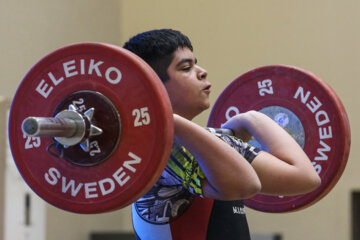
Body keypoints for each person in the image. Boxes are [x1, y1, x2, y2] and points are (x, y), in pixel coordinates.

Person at [123, 29, 321, 240]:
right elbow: (301, 177)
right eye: (186, 68)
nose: (202, 71)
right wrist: (254, 119)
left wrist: (227, 139)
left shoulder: (179, 144)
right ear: (151, 84)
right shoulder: (168, 146)